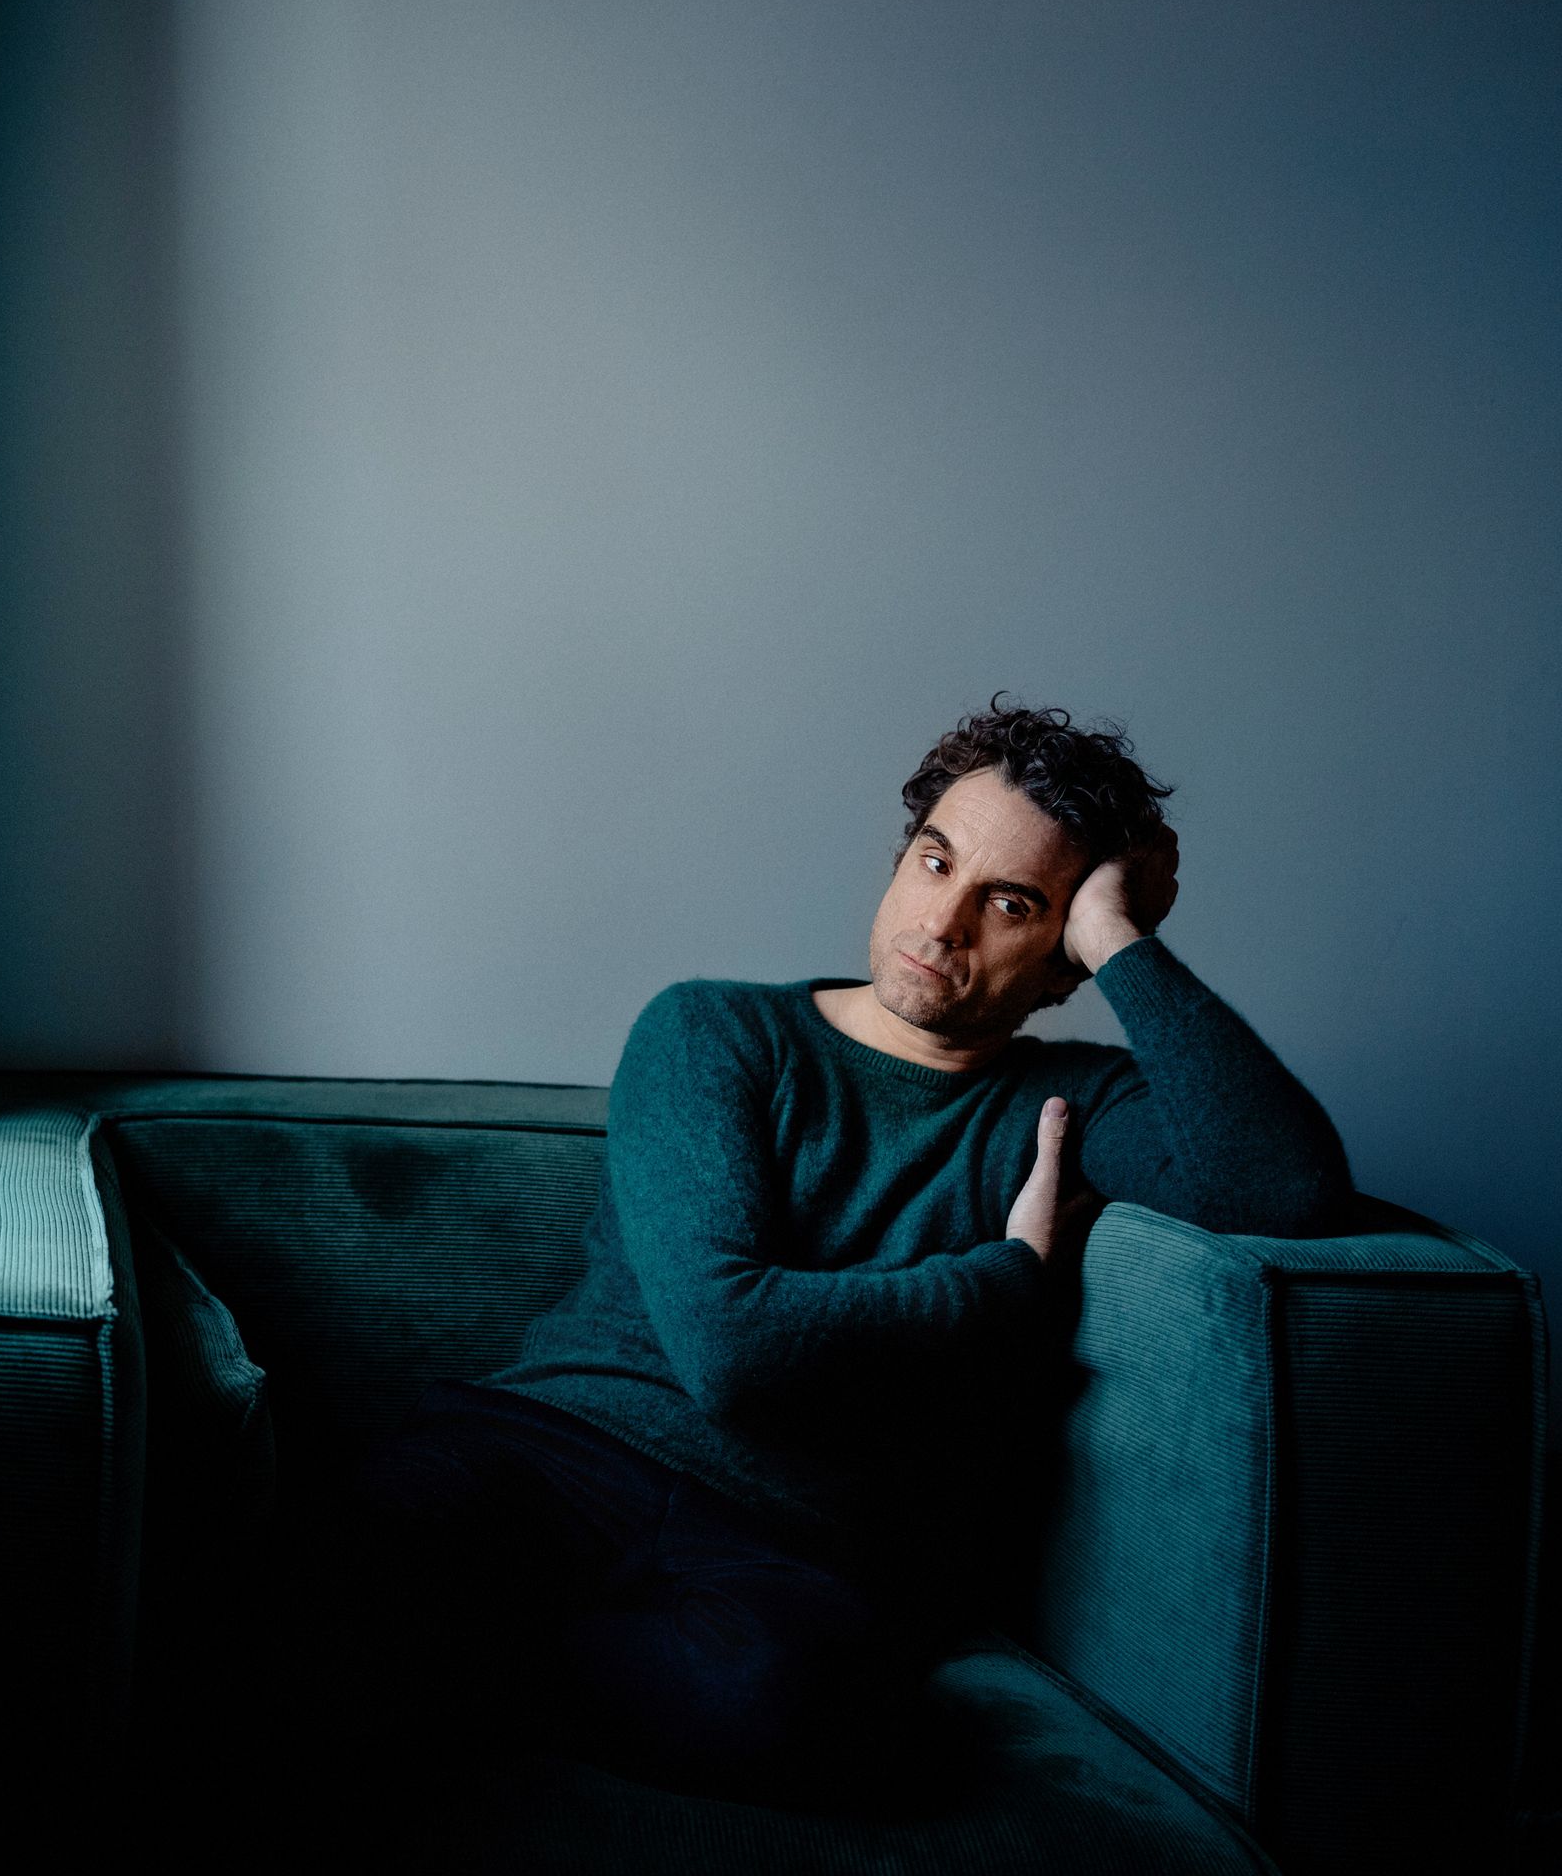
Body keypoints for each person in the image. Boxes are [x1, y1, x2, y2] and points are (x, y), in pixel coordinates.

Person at [330, 698, 1353, 1817]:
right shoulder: (713, 1030)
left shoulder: (1069, 1103)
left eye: (1011, 902)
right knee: (345, 1569)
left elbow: (1281, 1187)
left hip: (783, 1541)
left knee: (803, 1707)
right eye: (935, 862)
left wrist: (1122, 938)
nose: (944, 922)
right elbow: (732, 1348)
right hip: (551, 1452)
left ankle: (473, 1677)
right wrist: (1007, 1280)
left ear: (1063, 963)